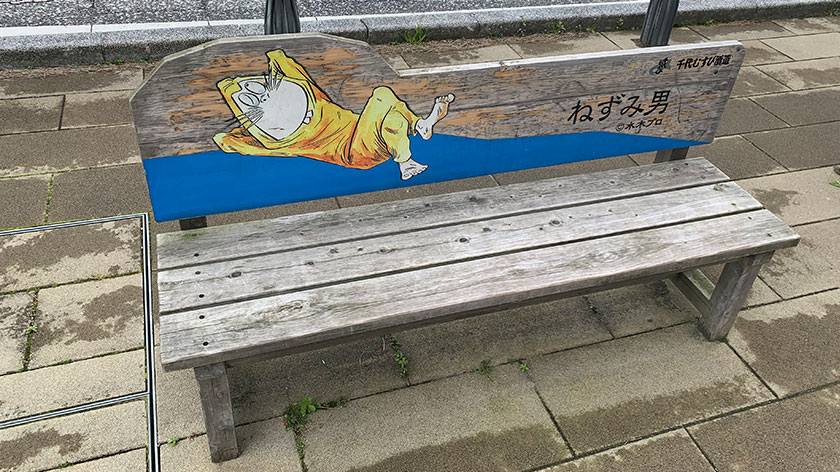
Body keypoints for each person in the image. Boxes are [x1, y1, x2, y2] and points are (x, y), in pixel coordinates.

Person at [214, 49, 454, 181]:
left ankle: (417, 132)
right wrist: (230, 141)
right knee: (382, 96)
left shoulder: (313, 98)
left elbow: (284, 63)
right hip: (354, 152)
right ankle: (408, 150)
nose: (263, 97)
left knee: (391, 119)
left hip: (367, 132)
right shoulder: (285, 142)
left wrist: (275, 55)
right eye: (250, 101)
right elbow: (235, 143)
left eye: (255, 89)